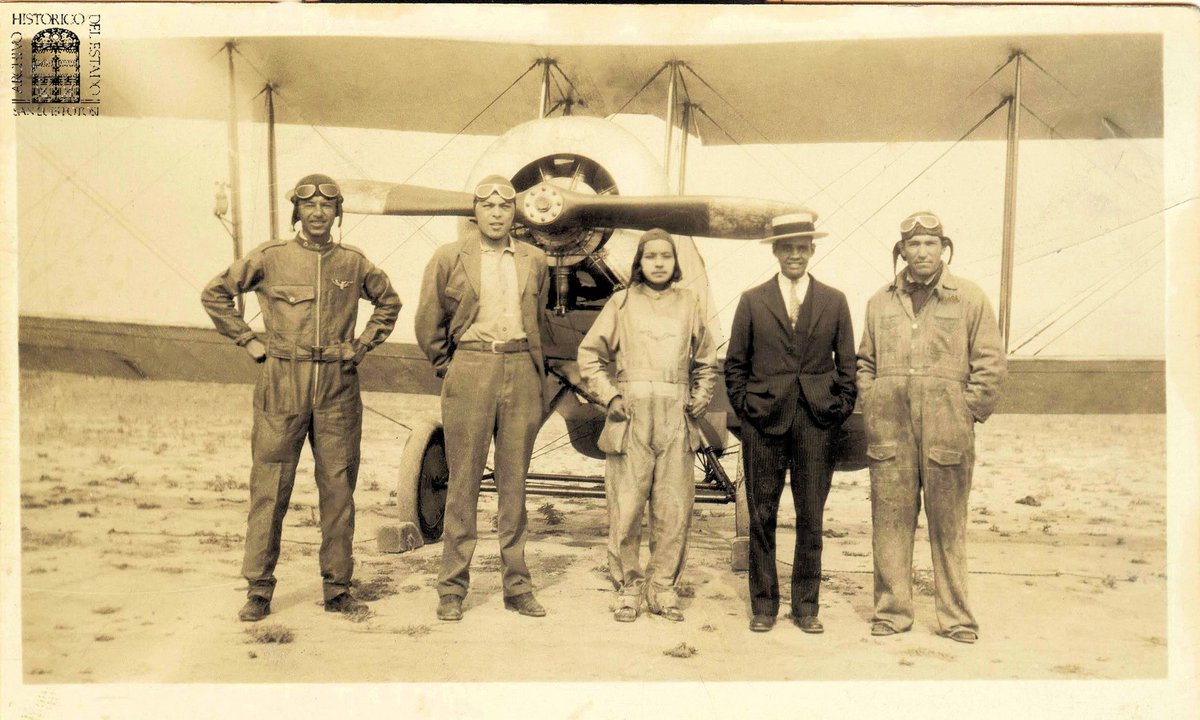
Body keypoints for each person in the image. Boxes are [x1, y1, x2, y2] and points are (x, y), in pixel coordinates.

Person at [201, 174, 401, 622]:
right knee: (269, 489)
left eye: (326, 207)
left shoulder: (353, 264)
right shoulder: (271, 258)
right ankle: (258, 589)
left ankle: (337, 588)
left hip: (337, 388)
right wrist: (248, 340)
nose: (317, 213)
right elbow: (215, 294)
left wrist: (363, 344)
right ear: (297, 211)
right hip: (281, 384)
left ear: (336, 213)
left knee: (338, 490)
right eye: (308, 206)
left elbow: (389, 302)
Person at [857, 211, 1006, 644]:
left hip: (948, 431)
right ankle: (891, 612)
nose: (921, 251)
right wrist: (874, 401)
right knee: (889, 522)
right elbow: (864, 362)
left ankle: (956, 617)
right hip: (891, 431)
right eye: (913, 244)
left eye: (930, 243)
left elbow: (991, 363)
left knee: (949, 525)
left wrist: (967, 410)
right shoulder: (879, 301)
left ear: (943, 248)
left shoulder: (970, 299)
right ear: (901, 250)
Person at [414, 174, 550, 621]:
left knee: (514, 487)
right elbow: (428, 323)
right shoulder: (449, 257)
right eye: (488, 206)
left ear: (515, 214)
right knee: (464, 483)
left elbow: (537, 318)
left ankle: (518, 587)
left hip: (520, 370)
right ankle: (452, 588)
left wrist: (532, 368)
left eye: (504, 207)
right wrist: (450, 367)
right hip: (470, 367)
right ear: (474, 211)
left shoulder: (535, 259)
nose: (496, 214)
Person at [724, 211, 857, 634]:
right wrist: (748, 409)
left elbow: (848, 366)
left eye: (803, 247)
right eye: (788, 247)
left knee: (810, 516)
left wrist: (836, 410)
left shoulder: (834, 300)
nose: (795, 254)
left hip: (817, 422)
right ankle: (764, 606)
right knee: (761, 514)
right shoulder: (752, 299)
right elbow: (734, 365)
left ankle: (806, 607)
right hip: (764, 422)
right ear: (776, 252)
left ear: (812, 250)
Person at [577, 228, 718, 623]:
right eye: (650, 256)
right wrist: (611, 397)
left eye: (666, 257)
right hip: (631, 416)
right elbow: (589, 356)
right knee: (626, 506)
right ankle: (628, 587)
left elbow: (706, 360)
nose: (658, 263)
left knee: (673, 509)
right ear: (639, 262)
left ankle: (663, 588)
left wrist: (700, 398)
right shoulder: (621, 303)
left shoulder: (690, 303)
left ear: (675, 263)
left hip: (675, 416)